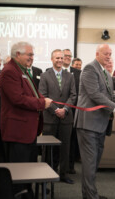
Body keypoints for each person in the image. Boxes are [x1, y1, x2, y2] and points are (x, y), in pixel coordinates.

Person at [0, 41, 52, 198]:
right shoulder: (9, 71)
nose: (32, 58)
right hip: (17, 132)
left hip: (28, 131)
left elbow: (33, 94)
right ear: (18, 55)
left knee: (28, 171)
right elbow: (18, 99)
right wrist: (42, 103)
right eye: (29, 54)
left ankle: (27, 194)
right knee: (19, 174)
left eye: (33, 55)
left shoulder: (22, 70)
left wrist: (43, 99)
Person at [75, 44, 115, 199]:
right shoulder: (90, 69)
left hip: (100, 124)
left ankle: (90, 194)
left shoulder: (106, 73)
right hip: (88, 124)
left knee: (94, 163)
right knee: (90, 163)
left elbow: (110, 96)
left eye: (110, 54)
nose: (109, 56)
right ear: (97, 53)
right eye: (106, 54)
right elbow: (95, 94)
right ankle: (91, 196)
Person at [39, 49, 77, 184]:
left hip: (66, 118)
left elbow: (73, 95)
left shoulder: (70, 76)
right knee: (48, 149)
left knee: (65, 147)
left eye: (62, 58)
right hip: (50, 118)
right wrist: (56, 110)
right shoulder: (44, 75)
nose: (60, 60)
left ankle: (63, 174)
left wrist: (65, 109)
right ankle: (45, 174)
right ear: (52, 59)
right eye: (57, 58)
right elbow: (42, 95)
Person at [63, 48, 82, 174]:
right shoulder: (48, 72)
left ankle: (69, 167)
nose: (68, 58)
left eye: (70, 56)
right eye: (65, 56)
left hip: (72, 112)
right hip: (55, 112)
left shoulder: (78, 73)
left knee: (71, 141)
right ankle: (52, 168)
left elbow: (79, 93)